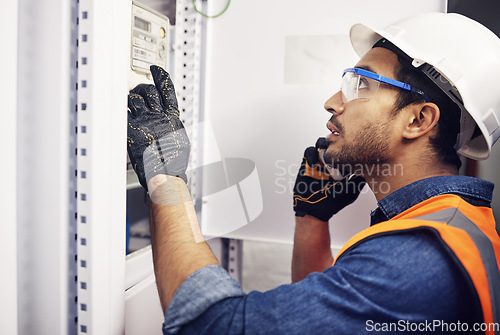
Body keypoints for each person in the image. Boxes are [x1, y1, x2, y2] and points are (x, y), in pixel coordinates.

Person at [126, 12, 500, 335]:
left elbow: (212, 325)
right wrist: (312, 215)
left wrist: (166, 179)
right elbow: (321, 317)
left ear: (419, 119)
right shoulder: (446, 222)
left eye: (361, 84)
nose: (333, 102)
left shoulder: (418, 256)